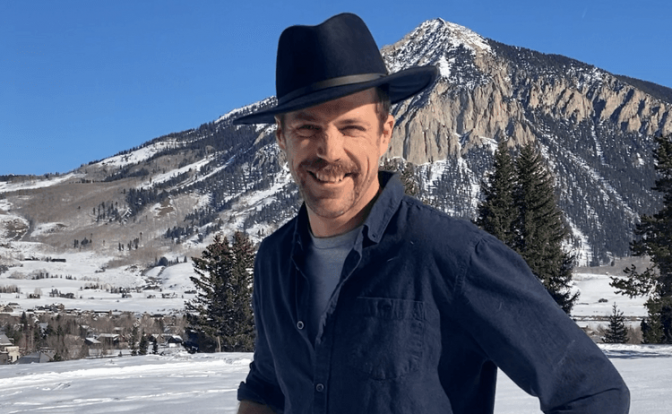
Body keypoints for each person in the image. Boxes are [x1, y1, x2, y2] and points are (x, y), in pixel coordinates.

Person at [232, 13, 630, 414]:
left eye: (351, 128)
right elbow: (268, 387)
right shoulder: (273, 261)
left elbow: (592, 392)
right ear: (282, 137)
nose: (329, 151)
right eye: (307, 128)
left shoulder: (453, 256)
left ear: (384, 134)